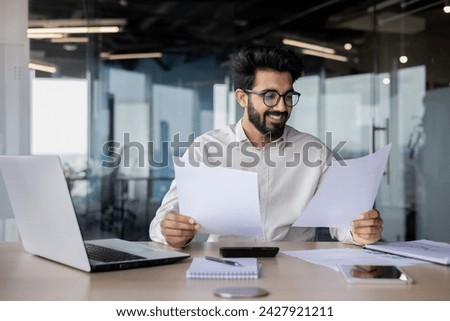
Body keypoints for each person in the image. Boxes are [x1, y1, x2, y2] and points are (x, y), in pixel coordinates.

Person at [149, 44, 383, 248]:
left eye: (288, 96)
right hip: (226, 267)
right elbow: (162, 221)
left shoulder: (315, 152)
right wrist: (170, 231)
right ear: (242, 98)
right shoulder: (207, 148)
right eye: (270, 96)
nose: (282, 107)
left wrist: (359, 230)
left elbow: (342, 223)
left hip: (297, 272)